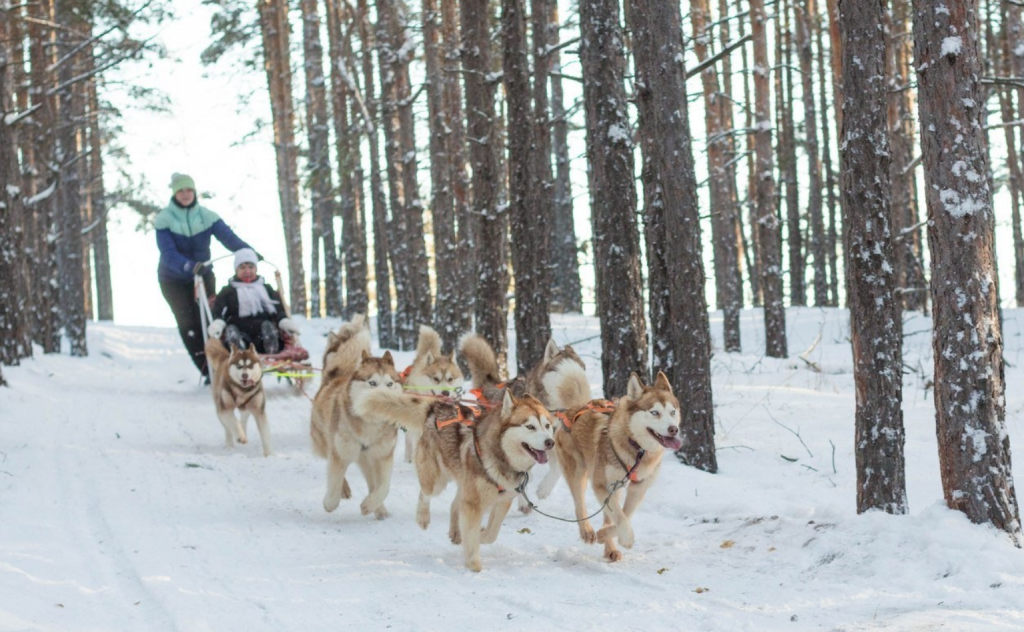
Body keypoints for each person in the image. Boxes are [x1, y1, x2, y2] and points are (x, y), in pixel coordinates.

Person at [155, 173, 256, 381]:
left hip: (204, 275)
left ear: (194, 192)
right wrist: (188, 266)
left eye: (189, 190)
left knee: (213, 319)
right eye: (181, 191)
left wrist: (249, 253)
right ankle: (206, 370)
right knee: (188, 323)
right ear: (175, 194)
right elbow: (168, 253)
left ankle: (222, 363)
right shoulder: (164, 219)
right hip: (174, 279)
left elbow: (228, 238)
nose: (185, 194)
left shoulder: (207, 216)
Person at [208, 248, 300, 355]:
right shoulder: (228, 291)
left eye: (251, 267)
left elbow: (278, 309)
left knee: (268, 328)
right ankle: (238, 352)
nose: (247, 271)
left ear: (256, 269)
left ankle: (270, 349)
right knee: (232, 332)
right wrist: (218, 323)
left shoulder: (266, 288)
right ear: (236, 270)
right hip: (238, 328)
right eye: (242, 268)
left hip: (262, 329)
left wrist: (284, 321)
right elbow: (219, 310)